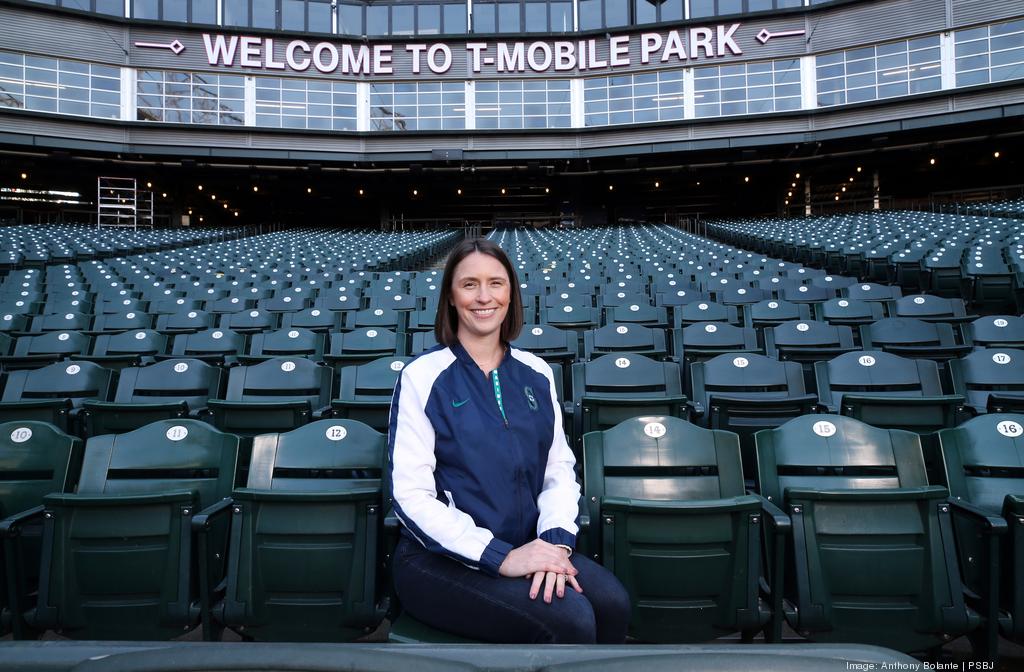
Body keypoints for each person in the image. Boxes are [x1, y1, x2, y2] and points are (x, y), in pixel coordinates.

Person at [388, 237, 631, 644]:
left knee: (613, 604)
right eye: (469, 284)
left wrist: (554, 545)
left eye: (495, 283)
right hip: (439, 560)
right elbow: (410, 495)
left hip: (530, 543)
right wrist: (500, 557)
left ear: (511, 293)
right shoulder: (421, 377)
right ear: (450, 295)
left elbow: (557, 469)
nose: (484, 296)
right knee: (571, 619)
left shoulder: (537, 371)